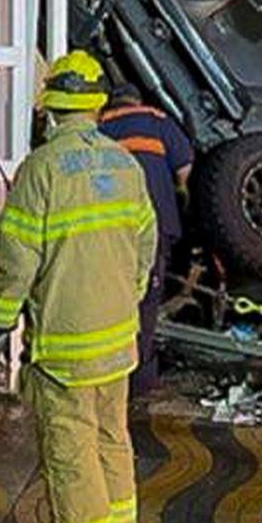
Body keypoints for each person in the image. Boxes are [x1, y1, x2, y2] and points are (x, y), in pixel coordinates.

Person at [0, 50, 157, 523]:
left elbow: (16, 261)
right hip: (118, 340)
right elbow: (143, 251)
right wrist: (122, 301)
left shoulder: (42, 170)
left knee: (70, 453)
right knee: (112, 439)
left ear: (52, 110)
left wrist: (0, 323)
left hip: (65, 347)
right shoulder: (125, 166)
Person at [98, 83, 193, 397]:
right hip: (155, 222)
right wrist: (182, 196)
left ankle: (110, 373)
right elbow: (185, 170)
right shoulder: (157, 119)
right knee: (147, 301)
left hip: (113, 228)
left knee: (113, 296)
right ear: (138, 99)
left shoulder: (101, 126)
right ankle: (139, 379)